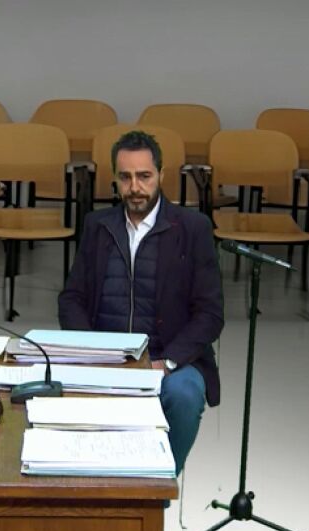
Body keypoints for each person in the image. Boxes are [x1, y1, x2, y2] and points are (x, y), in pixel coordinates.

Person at [58, 130, 224, 473]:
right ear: (115, 179)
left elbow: (210, 313)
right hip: (106, 357)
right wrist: (93, 354)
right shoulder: (97, 225)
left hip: (169, 358)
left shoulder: (192, 228)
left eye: (144, 176)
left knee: (184, 394)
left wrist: (167, 363)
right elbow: (71, 298)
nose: (135, 187)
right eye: (126, 177)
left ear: (161, 175)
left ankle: (158, 483)